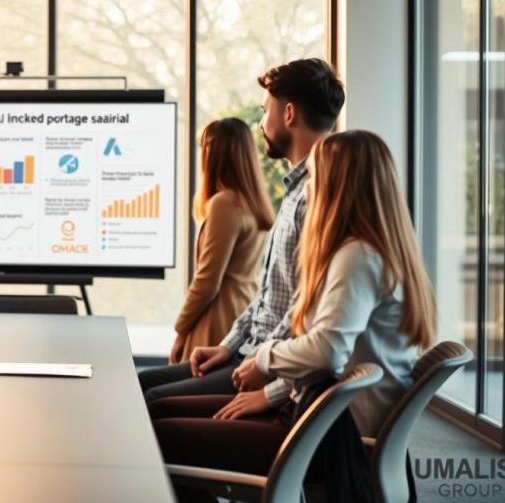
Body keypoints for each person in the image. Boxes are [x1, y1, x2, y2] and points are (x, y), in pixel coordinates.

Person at [149, 130, 437, 477]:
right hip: (318, 414)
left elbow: (328, 352)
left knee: (157, 433)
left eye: (314, 177)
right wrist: (273, 393)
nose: (308, 188)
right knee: (157, 413)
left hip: (328, 433)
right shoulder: (368, 253)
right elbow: (336, 362)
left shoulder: (357, 258)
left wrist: (264, 358)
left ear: (336, 186)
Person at [139, 58, 345, 404]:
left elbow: (305, 305)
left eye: (265, 111)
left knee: (153, 398)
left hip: (266, 365)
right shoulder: (294, 190)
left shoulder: (316, 196)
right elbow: (267, 294)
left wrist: (260, 363)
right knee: (144, 382)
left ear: (289, 114)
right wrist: (227, 345)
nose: (261, 123)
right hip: (248, 351)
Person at [169, 118, 273, 364]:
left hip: (217, 320)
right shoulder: (253, 202)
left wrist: (180, 330)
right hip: (243, 311)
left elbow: (207, 281)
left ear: (213, 154)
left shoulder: (224, 204)